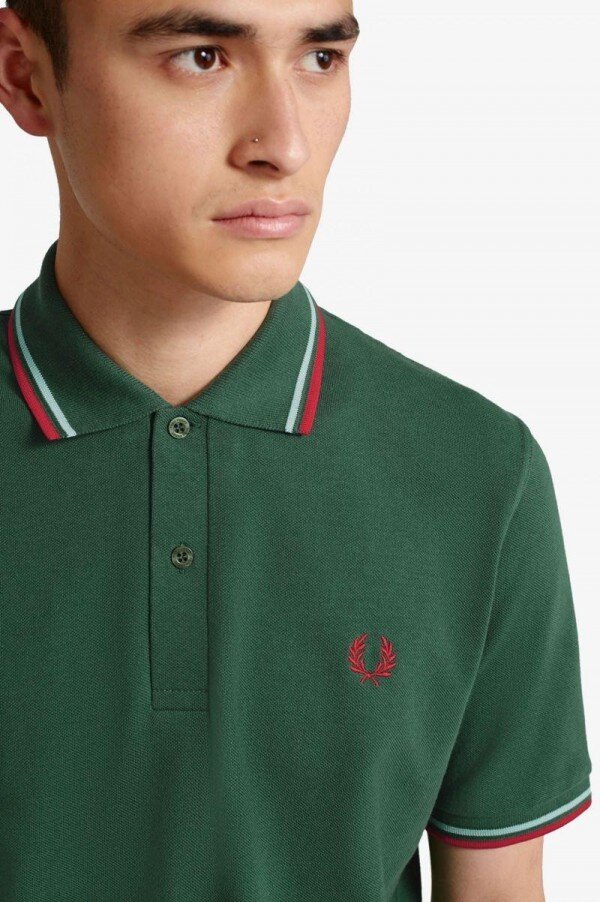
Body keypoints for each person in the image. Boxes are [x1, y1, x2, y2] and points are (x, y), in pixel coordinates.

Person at [0, 2, 592, 900]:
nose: (285, 143)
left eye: (320, 58)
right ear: (27, 75)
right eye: (202, 57)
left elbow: (500, 887)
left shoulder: (477, 470)